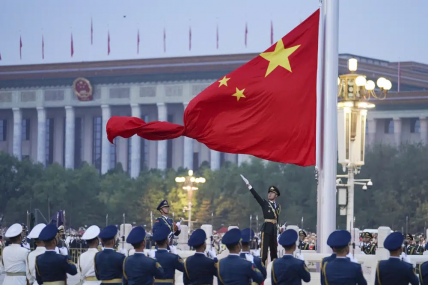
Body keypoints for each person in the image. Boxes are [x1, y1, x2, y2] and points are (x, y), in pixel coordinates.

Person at [241, 174, 281, 265]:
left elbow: (277, 218)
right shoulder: (265, 203)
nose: (270, 194)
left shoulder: (278, 207)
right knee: (264, 250)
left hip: (274, 229)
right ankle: (263, 266)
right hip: (266, 228)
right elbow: (256, 196)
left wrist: (278, 228)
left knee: (274, 250)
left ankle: (274, 268)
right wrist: (249, 186)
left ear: (276, 195)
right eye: (269, 193)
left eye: (272, 193)